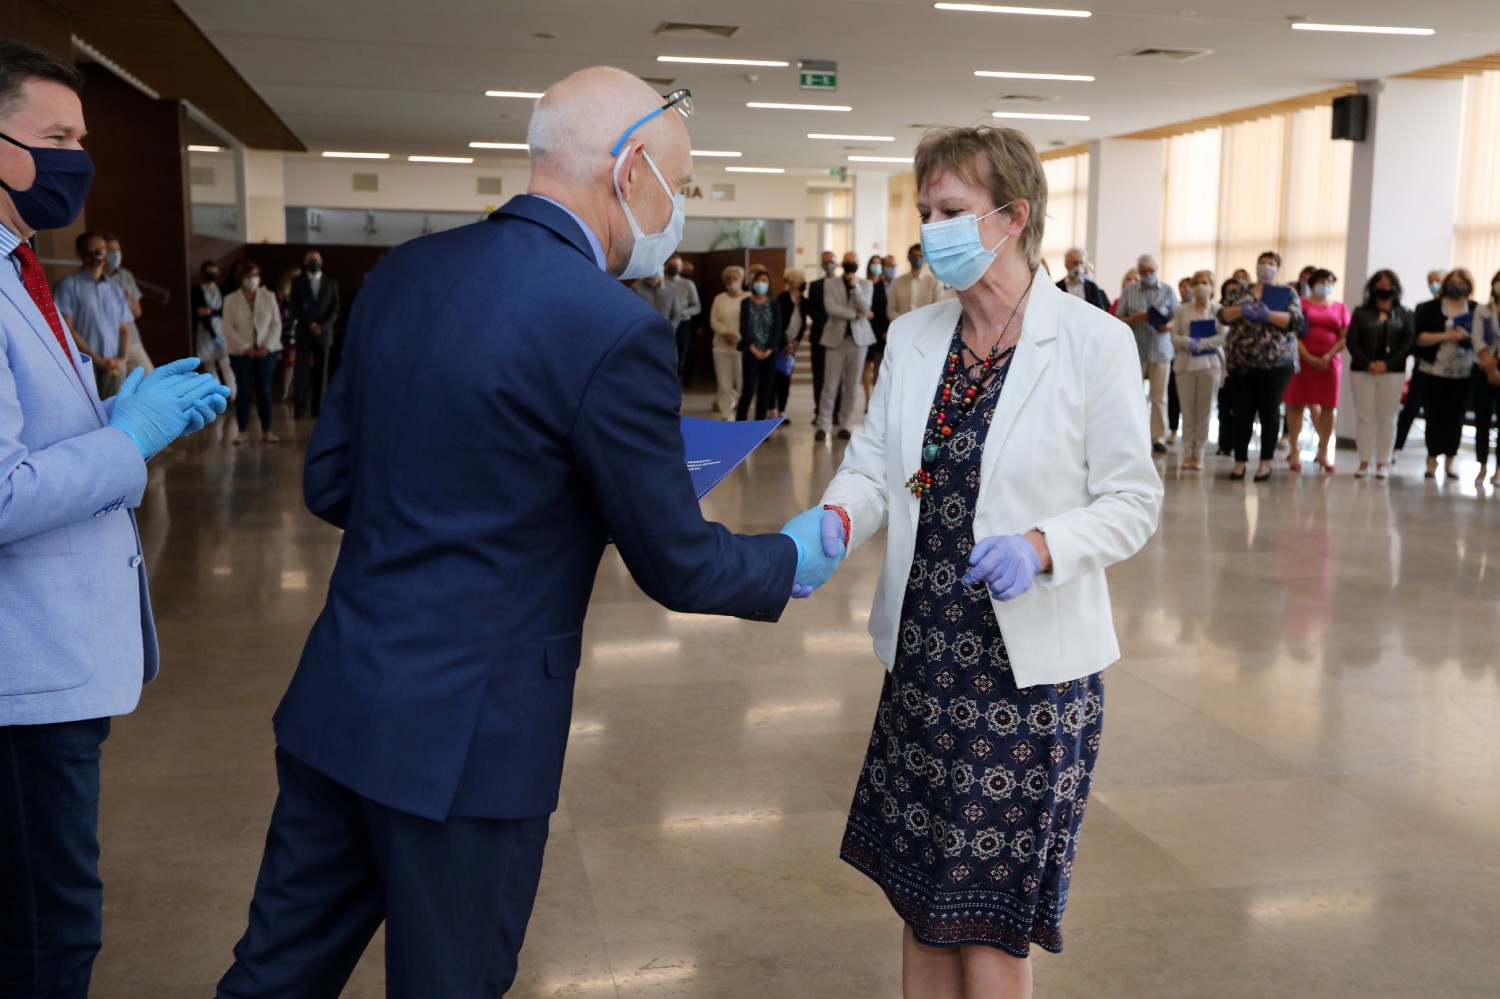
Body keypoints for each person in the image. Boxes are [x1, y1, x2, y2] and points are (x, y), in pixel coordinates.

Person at [216, 67, 845, 999]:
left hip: (342, 697)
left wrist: (501, 502)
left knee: (274, 973)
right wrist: (789, 558)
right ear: (629, 170)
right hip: (471, 740)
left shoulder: (405, 273)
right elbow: (677, 564)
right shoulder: (612, 327)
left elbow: (333, 478)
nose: (682, 208)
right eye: (680, 183)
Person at [818, 124, 1161, 999]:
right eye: (925, 211)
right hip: (924, 667)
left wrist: (1044, 546)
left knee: (989, 920)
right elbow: (873, 467)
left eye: (951, 211)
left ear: (1013, 217)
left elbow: (1133, 501)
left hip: (1027, 683)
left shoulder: (1091, 341)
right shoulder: (913, 337)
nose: (931, 229)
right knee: (922, 902)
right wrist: (834, 517)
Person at [0, 40, 228, 999]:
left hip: (55, 664)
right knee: (47, 935)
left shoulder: (19, 265)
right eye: (56, 138)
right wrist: (129, 441)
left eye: (81, 139)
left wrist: (113, 414)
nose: (77, 160)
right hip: (20, 682)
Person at [1220, 250, 1305, 481]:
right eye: (1262, 263)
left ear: (1277, 268)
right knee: (1242, 411)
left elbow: (1295, 321)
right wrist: (1241, 310)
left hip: (1276, 362)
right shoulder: (1241, 291)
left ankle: (1265, 463)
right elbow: (1223, 315)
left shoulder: (1287, 292)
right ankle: (1239, 462)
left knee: (1269, 411)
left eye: (1270, 263)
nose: (1266, 267)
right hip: (1241, 361)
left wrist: (1268, 315)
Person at [1346, 269, 1415, 479]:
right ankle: (1364, 461)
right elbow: (1352, 342)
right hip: (1362, 370)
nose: (1385, 289)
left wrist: (1388, 365)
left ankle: (1382, 462)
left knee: (1388, 418)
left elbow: (1408, 344)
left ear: (1396, 288)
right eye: (1381, 285)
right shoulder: (1361, 312)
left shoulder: (1405, 314)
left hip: (1393, 372)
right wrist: (1368, 364)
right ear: (1372, 288)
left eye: (1389, 285)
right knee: (1364, 417)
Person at [1412, 268, 1477, 480]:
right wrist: (1446, 336)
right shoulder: (1430, 308)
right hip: (1434, 370)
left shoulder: (1476, 309)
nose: (1456, 286)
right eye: (1453, 282)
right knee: (1434, 416)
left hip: (1463, 373)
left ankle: (1450, 461)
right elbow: (1419, 338)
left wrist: (1468, 338)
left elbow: (1485, 338)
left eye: (1461, 283)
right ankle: (1432, 460)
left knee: (1455, 418)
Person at [1284, 268, 1349, 473]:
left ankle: (1323, 451)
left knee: (1328, 406)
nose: (1326, 285)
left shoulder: (1340, 308)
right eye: (1322, 281)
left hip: (1329, 362)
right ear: (1312, 283)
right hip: (1302, 360)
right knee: (1296, 403)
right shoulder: (1301, 304)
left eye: (1329, 282)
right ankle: (1294, 448)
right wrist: (1309, 357)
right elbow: (1294, 334)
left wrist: (1328, 355)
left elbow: (1344, 337)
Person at [53, 230, 132, 398]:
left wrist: (122, 359)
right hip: (85, 366)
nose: (98, 253)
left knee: (115, 409)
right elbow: (66, 327)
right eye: (92, 248)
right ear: (80, 253)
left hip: (115, 366)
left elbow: (124, 328)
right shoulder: (68, 285)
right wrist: (95, 359)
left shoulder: (114, 288)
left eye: (102, 248)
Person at [1116, 253, 1179, 453]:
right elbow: (1118, 319)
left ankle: (1157, 436)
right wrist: (1134, 319)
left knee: (1159, 397)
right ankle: (1135, 436)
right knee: (1134, 396)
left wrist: (1168, 326)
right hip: (1136, 350)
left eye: (1151, 270)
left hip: (1160, 350)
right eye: (1143, 271)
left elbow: (1177, 317)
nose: (1147, 274)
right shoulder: (1130, 291)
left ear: (1156, 269)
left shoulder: (1168, 290)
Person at [1169, 270, 1226, 470]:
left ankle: (1199, 453)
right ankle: (1187, 453)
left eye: (1205, 282)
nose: (1201, 286)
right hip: (1186, 365)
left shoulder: (1218, 310)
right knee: (1187, 412)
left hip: (1210, 365)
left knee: (1204, 412)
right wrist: (1188, 342)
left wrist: (1201, 344)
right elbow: (1174, 336)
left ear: (1212, 286)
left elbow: (1222, 336)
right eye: (1197, 283)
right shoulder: (1182, 310)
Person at [222, 260, 282, 446]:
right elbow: (227, 328)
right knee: (244, 390)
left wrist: (266, 346)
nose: (253, 279)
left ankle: (267, 430)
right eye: (249, 275)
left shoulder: (268, 296)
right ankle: (242, 431)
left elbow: (276, 324)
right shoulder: (231, 299)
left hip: (266, 351)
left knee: (264, 389)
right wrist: (245, 347)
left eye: (256, 275)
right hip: (241, 353)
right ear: (241, 278)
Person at [817, 250, 874, 441]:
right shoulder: (830, 283)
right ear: (842, 263)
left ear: (858, 264)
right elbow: (831, 308)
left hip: (859, 341)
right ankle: (823, 425)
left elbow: (865, 306)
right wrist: (856, 315)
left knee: (852, 386)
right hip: (836, 340)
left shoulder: (865, 284)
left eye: (853, 261)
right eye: (847, 261)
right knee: (830, 386)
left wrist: (854, 286)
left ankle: (845, 424)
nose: (850, 264)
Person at [1394, 269, 1448, 458]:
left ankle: (1435, 455)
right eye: (1431, 281)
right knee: (1410, 408)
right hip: (1424, 366)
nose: (1435, 284)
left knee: (1438, 413)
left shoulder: (1458, 309)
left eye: (1438, 280)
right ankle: (1396, 448)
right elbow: (1415, 337)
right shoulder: (1424, 307)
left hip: (1448, 369)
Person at [289, 250, 340, 419]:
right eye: (311, 260)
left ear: (322, 262)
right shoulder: (297, 282)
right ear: (305, 263)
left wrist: (322, 325)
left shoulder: (330, 283)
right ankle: (299, 407)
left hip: (324, 334)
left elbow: (335, 308)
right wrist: (310, 324)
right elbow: (294, 306)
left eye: (317, 259)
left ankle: (318, 407)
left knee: (321, 372)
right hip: (305, 332)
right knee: (301, 371)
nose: (314, 262)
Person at [736, 263, 783, 421]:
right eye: (758, 280)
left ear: (769, 284)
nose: (760, 283)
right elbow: (744, 327)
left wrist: (769, 349)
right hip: (751, 351)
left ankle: (759, 424)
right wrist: (753, 348)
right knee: (748, 389)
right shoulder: (746, 303)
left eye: (764, 281)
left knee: (765, 391)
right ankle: (740, 423)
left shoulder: (774, 305)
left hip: (769, 353)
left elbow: (777, 329)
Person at [102, 233, 153, 375]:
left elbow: (137, 312)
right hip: (107, 346)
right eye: (111, 251)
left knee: (150, 377)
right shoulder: (95, 279)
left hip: (132, 340)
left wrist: (126, 300)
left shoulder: (125, 275)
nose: (115, 255)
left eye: (117, 250)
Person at [1470, 269, 1500, 485]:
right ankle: (1482, 465)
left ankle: (1498, 470)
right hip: (1482, 368)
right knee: (1482, 420)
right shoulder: (1483, 310)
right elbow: (1477, 339)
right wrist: (1490, 368)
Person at [709, 264, 746, 420]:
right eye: (728, 279)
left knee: (742, 382)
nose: (732, 281)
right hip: (721, 347)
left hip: (742, 347)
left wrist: (738, 336)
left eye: (735, 278)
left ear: (741, 280)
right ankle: (726, 413)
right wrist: (726, 333)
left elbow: (750, 322)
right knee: (724, 384)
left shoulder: (748, 298)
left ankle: (740, 412)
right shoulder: (719, 299)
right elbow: (713, 321)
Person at [1214, 277, 1247, 455]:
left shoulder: (1248, 311)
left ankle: (1236, 445)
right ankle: (1223, 443)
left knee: (1240, 409)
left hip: (1241, 365)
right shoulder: (1221, 311)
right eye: (1229, 290)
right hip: (1223, 365)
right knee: (1224, 407)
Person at [192, 259, 234, 392]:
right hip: (205, 331)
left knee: (225, 364)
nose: (213, 275)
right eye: (210, 272)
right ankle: (219, 394)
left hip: (221, 328)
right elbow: (199, 312)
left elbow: (224, 310)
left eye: (215, 272)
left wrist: (210, 311)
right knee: (210, 367)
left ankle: (233, 394)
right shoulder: (197, 290)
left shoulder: (222, 290)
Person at [806, 249, 836, 423]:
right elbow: (811, 309)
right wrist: (825, 325)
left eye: (831, 261)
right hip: (819, 334)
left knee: (837, 376)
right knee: (819, 376)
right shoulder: (815, 285)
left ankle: (836, 412)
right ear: (822, 264)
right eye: (826, 261)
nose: (829, 264)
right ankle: (819, 411)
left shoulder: (842, 283)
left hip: (838, 337)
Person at [774, 267, 808, 418]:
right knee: (775, 378)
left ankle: (782, 410)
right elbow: (778, 323)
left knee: (786, 378)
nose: (802, 282)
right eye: (799, 279)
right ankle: (772, 409)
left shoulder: (804, 302)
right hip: (779, 343)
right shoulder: (782, 298)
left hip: (792, 345)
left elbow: (803, 325)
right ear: (791, 282)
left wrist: (794, 343)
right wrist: (785, 344)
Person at [862, 253, 892, 412]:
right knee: (866, 365)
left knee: (878, 368)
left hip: (881, 331)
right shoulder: (864, 284)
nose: (877, 266)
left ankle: (874, 399)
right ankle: (866, 398)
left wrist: (884, 331)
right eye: (874, 263)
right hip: (866, 329)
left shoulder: (882, 286)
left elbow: (884, 310)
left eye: (879, 264)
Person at [666, 253, 701, 385]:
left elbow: (697, 307)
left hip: (683, 324)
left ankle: (679, 384)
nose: (674, 267)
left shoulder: (687, 284)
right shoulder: (660, 282)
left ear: (681, 267)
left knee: (682, 355)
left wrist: (682, 312)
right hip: (664, 322)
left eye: (677, 265)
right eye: (671, 264)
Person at [888, 241, 939, 323]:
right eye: (915, 255)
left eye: (921, 256)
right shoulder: (897, 282)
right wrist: (903, 323)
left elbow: (938, 308)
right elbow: (891, 309)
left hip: (926, 326)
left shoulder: (934, 282)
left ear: (926, 260)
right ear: (908, 258)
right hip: (902, 326)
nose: (917, 259)